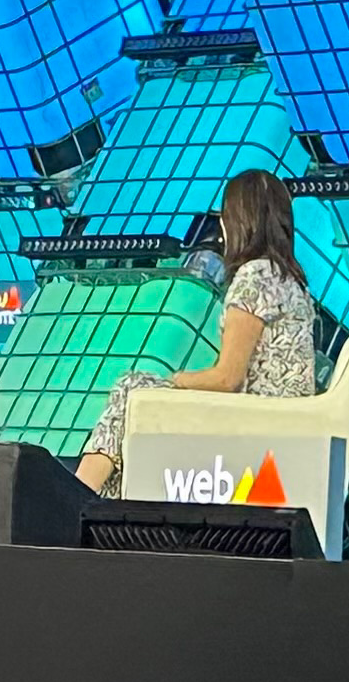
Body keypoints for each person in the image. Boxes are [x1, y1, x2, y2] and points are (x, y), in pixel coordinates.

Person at [73, 169, 326, 494]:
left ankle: (82, 493)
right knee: (137, 395)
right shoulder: (292, 282)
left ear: (237, 221)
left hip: (256, 417)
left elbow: (228, 378)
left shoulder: (255, 277)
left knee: (131, 387)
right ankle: (95, 494)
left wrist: (179, 380)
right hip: (284, 418)